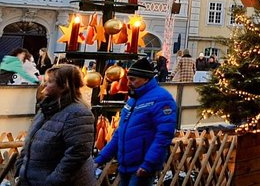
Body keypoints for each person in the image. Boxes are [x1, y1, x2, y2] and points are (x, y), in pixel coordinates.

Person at [95, 58, 177, 186]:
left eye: (133, 79)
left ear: (146, 79)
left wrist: (148, 164)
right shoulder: (133, 99)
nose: (128, 83)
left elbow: (163, 136)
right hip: (125, 165)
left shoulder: (162, 99)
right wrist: (101, 158)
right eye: (128, 79)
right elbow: (120, 132)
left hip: (142, 166)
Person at [14, 64, 94, 185]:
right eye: (45, 81)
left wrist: (52, 181)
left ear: (64, 86)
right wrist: (20, 169)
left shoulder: (78, 113)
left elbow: (77, 154)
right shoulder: (45, 109)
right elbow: (29, 143)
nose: (44, 84)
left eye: (50, 82)